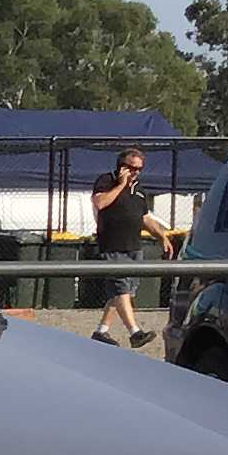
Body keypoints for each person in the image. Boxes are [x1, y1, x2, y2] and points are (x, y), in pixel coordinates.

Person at [87, 146, 170, 346]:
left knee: (124, 293)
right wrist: (121, 184)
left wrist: (162, 236)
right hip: (112, 246)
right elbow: (100, 203)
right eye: (132, 168)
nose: (136, 172)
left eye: (139, 169)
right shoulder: (106, 181)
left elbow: (144, 218)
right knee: (121, 289)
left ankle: (102, 331)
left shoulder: (140, 191)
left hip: (134, 247)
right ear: (121, 167)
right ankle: (135, 333)